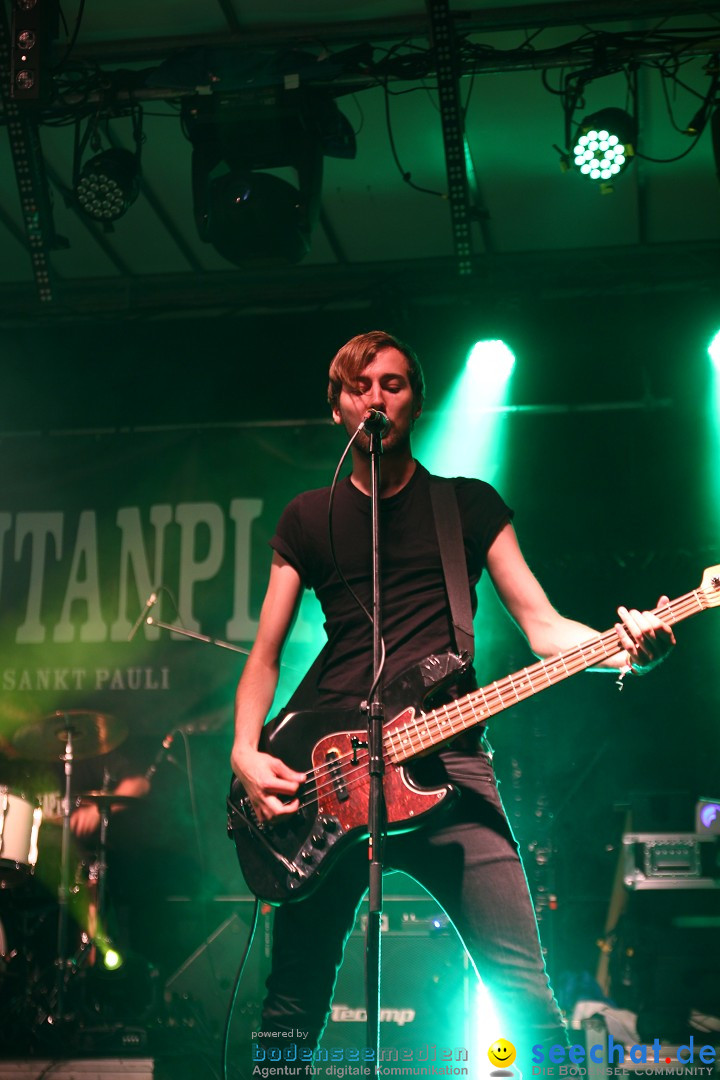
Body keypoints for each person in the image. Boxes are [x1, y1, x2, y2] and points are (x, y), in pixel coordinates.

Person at [230, 331, 675, 1070]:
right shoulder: (308, 517)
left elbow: (543, 629)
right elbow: (266, 656)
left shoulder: (465, 507)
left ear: (418, 402)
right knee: (292, 1007)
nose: (377, 397)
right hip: (328, 771)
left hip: (452, 762)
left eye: (395, 384)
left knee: (527, 998)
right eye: (361, 385)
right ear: (338, 405)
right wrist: (247, 752)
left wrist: (623, 647)